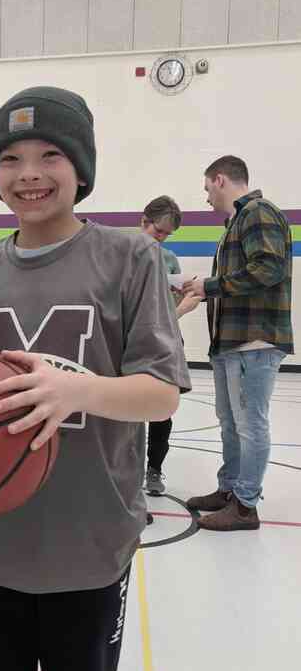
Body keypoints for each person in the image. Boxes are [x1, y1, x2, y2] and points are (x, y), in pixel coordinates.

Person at [0, 87, 191, 671]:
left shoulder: (129, 258)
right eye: (12, 159)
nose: (30, 172)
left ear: (80, 167)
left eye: (49, 155)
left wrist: (74, 391)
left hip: (88, 547)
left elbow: (162, 391)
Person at [182, 156, 294, 532]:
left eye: (207, 189)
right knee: (230, 423)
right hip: (232, 342)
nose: (207, 198)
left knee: (249, 424)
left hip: (254, 341)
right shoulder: (238, 221)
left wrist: (210, 286)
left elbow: (268, 268)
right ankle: (230, 489)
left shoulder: (258, 212)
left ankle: (246, 506)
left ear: (219, 179)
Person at [140, 196, 203, 499]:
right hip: (132, 344)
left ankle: (154, 469)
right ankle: (122, 469)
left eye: (167, 235)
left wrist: (181, 296)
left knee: (162, 409)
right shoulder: (121, 256)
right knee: (125, 410)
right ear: (144, 222)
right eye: (158, 231)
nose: (162, 239)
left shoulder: (170, 260)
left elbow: (173, 307)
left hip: (165, 342)